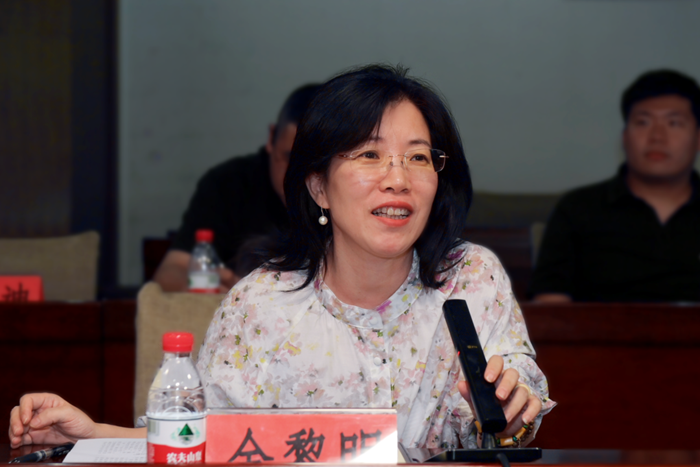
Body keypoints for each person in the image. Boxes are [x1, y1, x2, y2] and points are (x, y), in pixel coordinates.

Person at [9, 65, 554, 450]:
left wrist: (512, 413)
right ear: (318, 187)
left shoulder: (471, 278)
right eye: (369, 154)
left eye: (418, 157)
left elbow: (518, 405)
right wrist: (91, 435)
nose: (398, 179)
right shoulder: (262, 306)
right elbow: (202, 439)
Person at [531, 69, 700, 303]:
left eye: (674, 123)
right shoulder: (578, 209)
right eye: (643, 122)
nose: (657, 137)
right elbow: (550, 303)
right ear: (624, 137)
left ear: (697, 138)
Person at [153, 83, 321, 292]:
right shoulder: (227, 184)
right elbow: (171, 272)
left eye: (311, 165)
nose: (296, 177)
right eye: (288, 159)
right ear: (271, 138)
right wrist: (226, 291)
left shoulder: (344, 194)